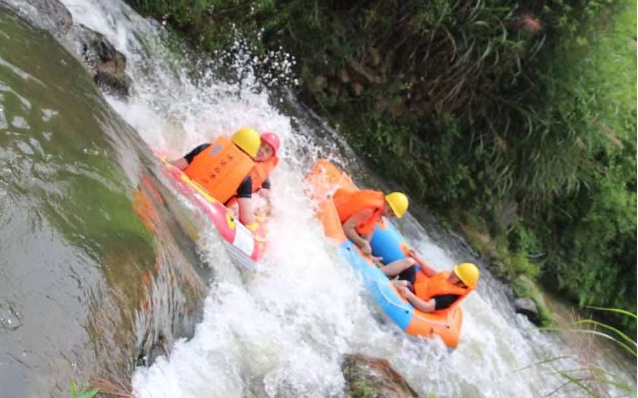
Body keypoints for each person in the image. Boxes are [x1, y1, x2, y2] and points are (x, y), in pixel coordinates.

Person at [169, 127, 279, 225]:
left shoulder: (207, 148)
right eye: (261, 146)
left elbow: (173, 167)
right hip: (206, 212)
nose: (261, 150)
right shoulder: (245, 177)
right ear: (254, 149)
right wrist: (253, 224)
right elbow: (246, 219)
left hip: (179, 190)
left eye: (267, 150)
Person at [332, 189, 409, 255]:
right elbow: (346, 228)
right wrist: (362, 243)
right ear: (389, 208)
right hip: (332, 213)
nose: (390, 216)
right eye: (392, 213)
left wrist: (367, 249)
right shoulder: (369, 211)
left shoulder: (378, 206)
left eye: (393, 215)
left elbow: (369, 229)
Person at [390, 261, 479, 313]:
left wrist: (409, 295)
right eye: (454, 272)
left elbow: (427, 307)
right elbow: (434, 275)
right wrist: (418, 259)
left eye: (456, 276)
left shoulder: (448, 297)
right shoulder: (449, 278)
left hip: (416, 301)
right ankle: (378, 270)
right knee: (409, 262)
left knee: (404, 283)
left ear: (462, 284)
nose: (452, 274)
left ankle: (380, 281)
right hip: (415, 288)